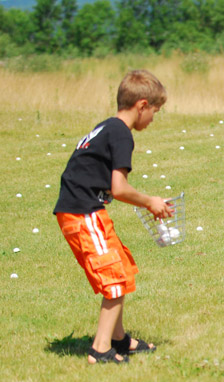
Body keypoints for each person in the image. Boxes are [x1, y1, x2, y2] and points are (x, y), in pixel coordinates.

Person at [54, 70, 173, 364]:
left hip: (85, 210)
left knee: (123, 267)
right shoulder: (121, 133)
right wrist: (151, 202)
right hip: (83, 213)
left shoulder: (108, 127)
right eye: (155, 112)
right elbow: (119, 188)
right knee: (114, 279)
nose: (153, 119)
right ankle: (100, 348)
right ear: (142, 105)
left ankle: (119, 339)